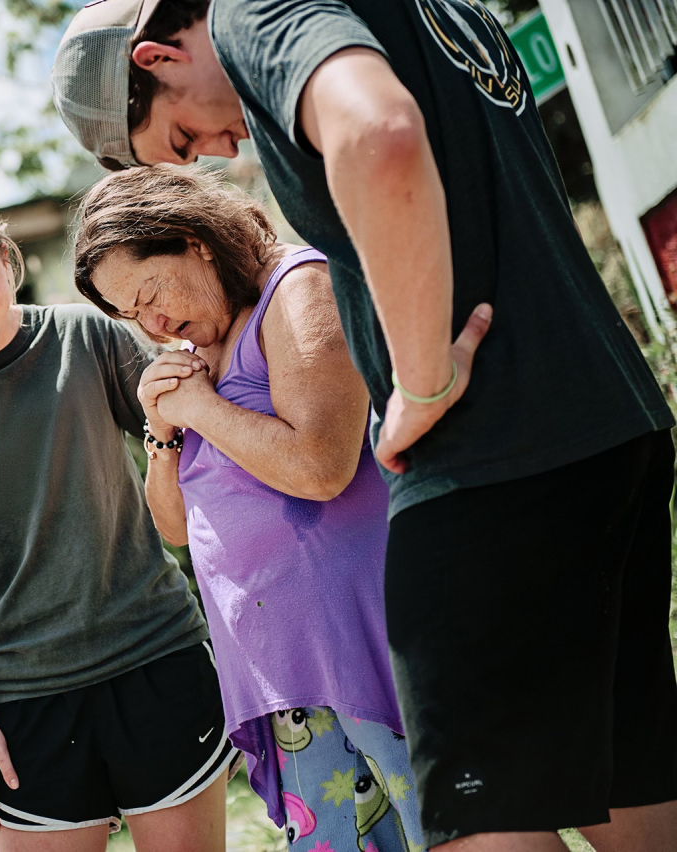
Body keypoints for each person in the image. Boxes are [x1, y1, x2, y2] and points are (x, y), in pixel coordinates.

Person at [51, 1, 677, 850]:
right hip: (604, 416)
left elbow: (378, 135)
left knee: (472, 819)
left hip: (489, 454)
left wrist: (418, 379)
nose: (222, 150)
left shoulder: (256, 11)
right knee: (628, 776)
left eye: (184, 140)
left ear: (160, 58)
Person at [0, 186, 236, 851]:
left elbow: (184, 438)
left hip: (155, 659)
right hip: (23, 700)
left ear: (10, 261)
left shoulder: (85, 337)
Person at [73, 164, 427, 852]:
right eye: (128, 315)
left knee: (444, 828)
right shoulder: (195, 349)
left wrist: (202, 406)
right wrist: (160, 433)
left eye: (149, 294)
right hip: (279, 668)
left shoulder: (296, 289)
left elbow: (321, 467)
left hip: (359, 642)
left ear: (193, 240)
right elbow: (177, 527)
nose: (150, 323)